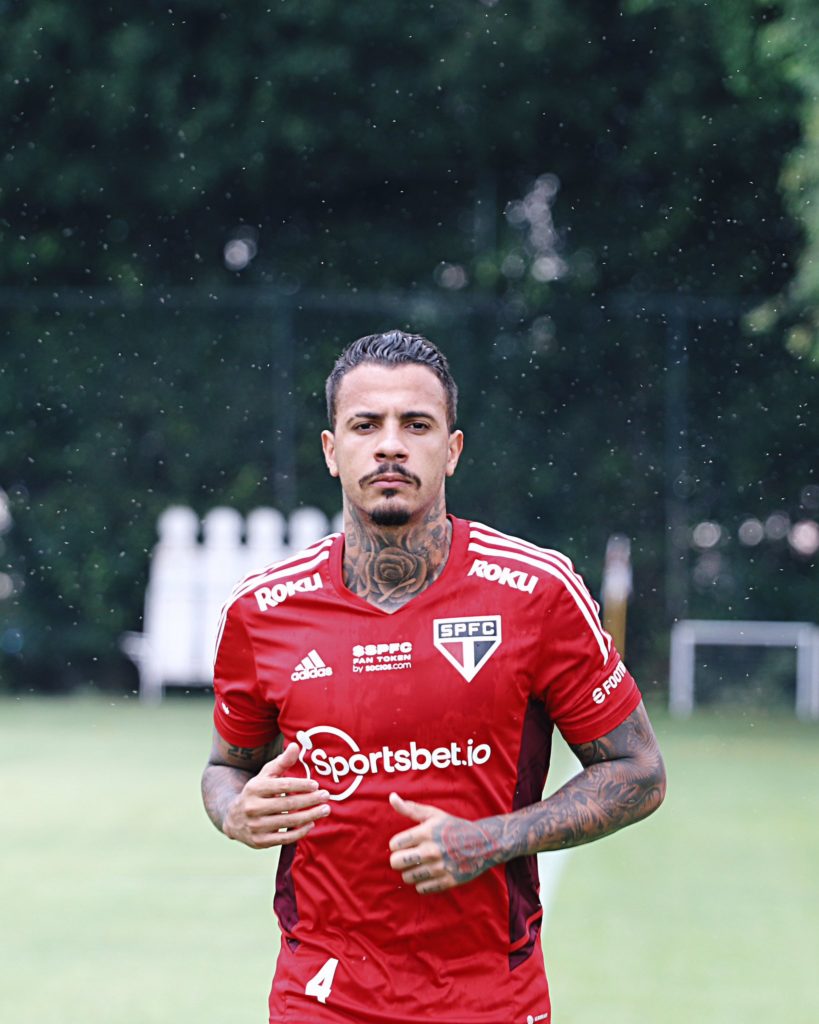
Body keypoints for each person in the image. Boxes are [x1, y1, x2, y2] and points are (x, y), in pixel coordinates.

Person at [201, 329, 667, 1024]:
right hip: (320, 991)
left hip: (489, 991)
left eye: (415, 425)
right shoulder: (261, 610)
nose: (390, 445)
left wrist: (495, 837)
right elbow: (224, 769)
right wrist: (233, 812)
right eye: (365, 425)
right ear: (331, 449)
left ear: (451, 449)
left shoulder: (537, 592)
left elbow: (639, 771)